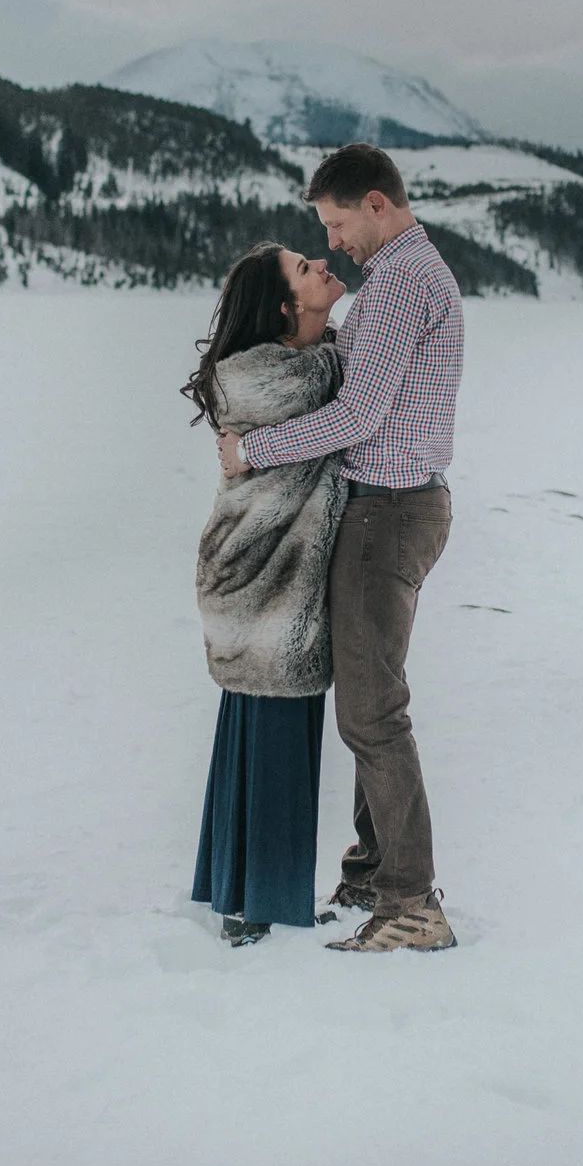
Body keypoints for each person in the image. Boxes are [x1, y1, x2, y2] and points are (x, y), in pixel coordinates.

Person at [220, 144, 463, 954]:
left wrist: (256, 450)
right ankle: (371, 871)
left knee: (371, 712)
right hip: (391, 507)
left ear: (375, 205)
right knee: (369, 698)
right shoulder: (404, 276)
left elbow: (357, 419)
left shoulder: (397, 283)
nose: (333, 244)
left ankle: (411, 905)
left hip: (387, 512)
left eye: (335, 224)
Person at [185, 241, 349, 945]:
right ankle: (260, 906)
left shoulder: (304, 363)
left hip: (272, 582)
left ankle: (237, 889)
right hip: (260, 581)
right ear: (288, 306)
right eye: (303, 268)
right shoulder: (275, 379)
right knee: (273, 735)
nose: (319, 262)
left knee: (262, 731)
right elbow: (355, 393)